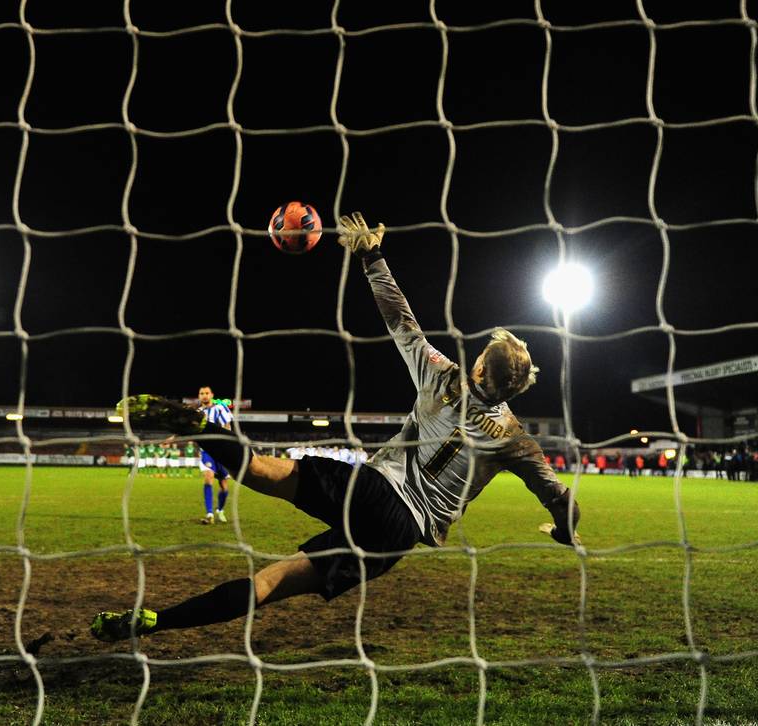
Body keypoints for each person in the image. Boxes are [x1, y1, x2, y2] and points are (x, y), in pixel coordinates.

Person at [89, 212, 581, 642]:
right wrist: (564, 531)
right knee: (269, 585)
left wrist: (372, 258)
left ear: (478, 369)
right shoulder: (517, 441)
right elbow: (562, 498)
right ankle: (156, 621)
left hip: (368, 488)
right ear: (515, 391)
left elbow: (401, 320)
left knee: (258, 469)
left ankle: (197, 426)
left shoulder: (442, 375)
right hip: (399, 532)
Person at [196, 386, 234, 524]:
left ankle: (220, 510)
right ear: (199, 396)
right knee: (208, 477)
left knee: (224, 486)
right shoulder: (197, 413)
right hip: (207, 451)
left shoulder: (220, 408)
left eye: (206, 393)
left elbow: (227, 426)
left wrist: (227, 444)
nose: (204, 395)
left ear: (211, 395)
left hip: (221, 451)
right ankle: (209, 514)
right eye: (201, 393)